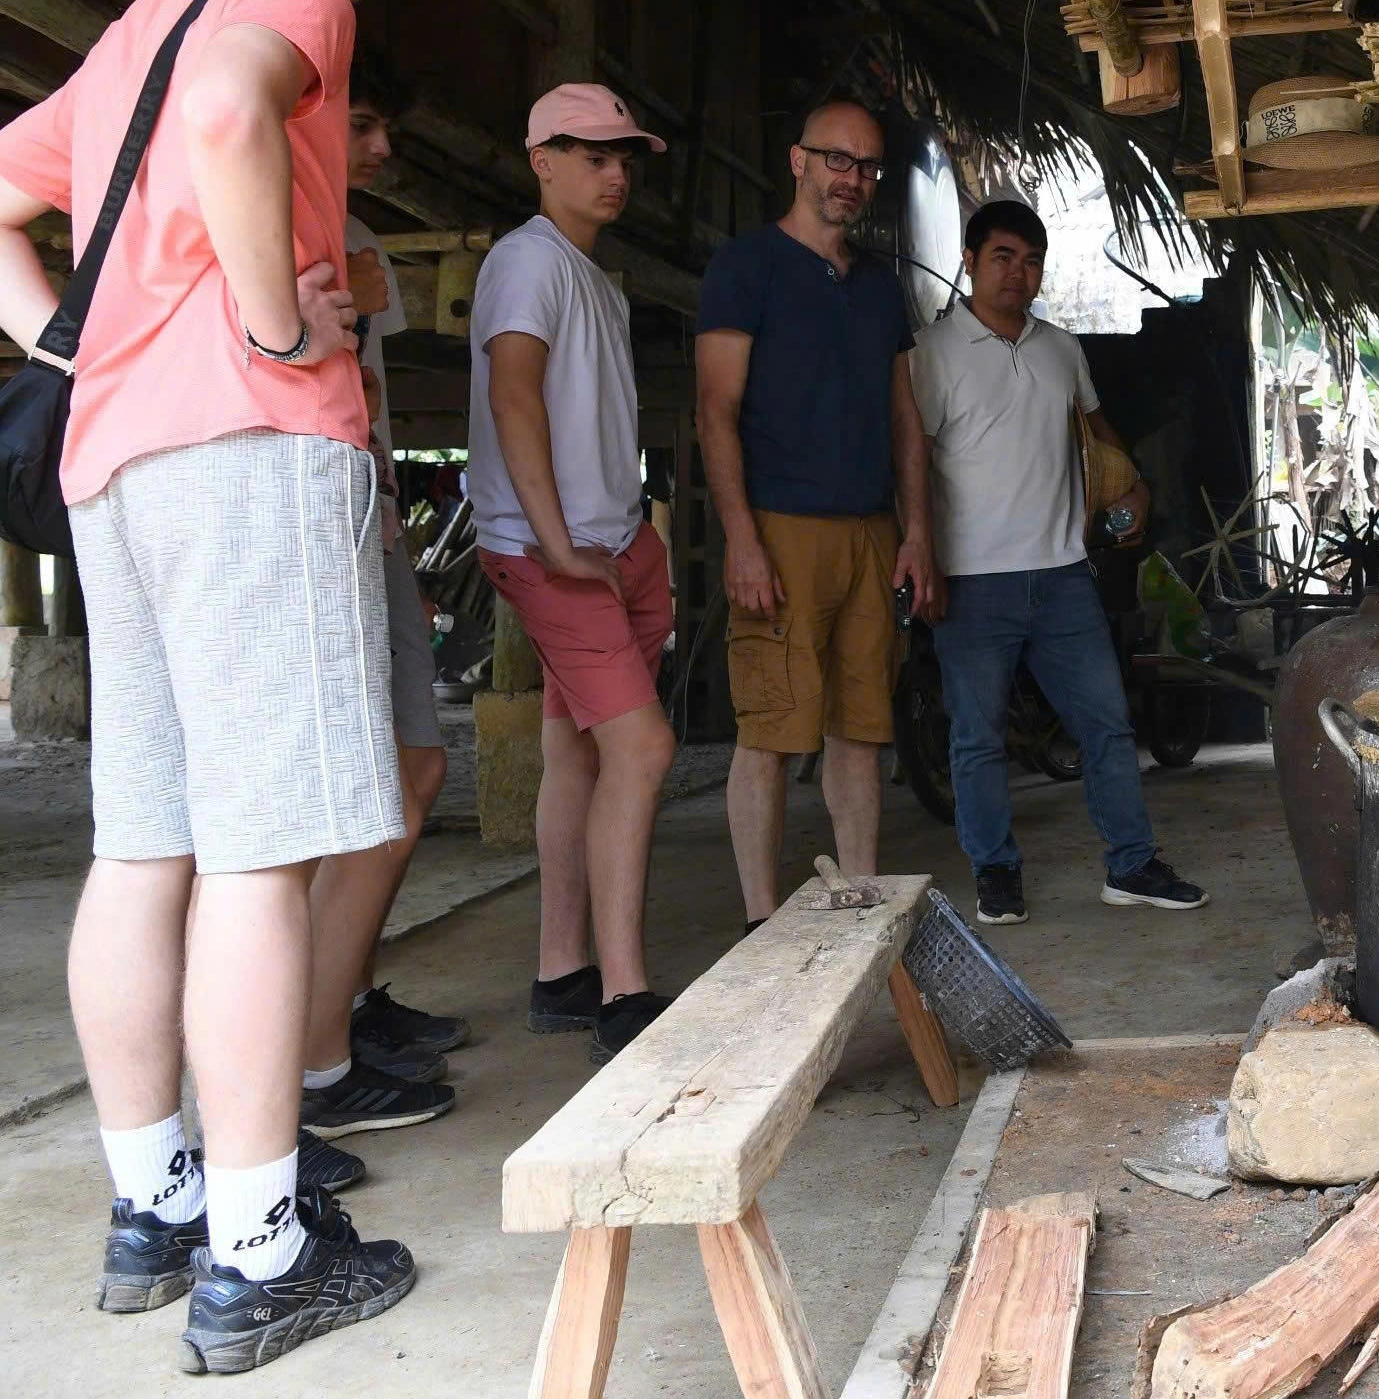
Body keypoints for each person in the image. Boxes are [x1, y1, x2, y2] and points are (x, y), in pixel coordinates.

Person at [0, 0, 421, 1373]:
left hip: (118, 461)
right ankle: (259, 1250)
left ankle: (155, 1205)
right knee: (259, 854)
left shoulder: (127, 33)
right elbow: (241, 113)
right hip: (250, 448)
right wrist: (263, 325)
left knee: (146, 842)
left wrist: (72, 339)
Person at [909, 199, 1204, 926]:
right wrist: (921, 554)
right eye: (1002, 256)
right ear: (970, 261)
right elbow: (909, 460)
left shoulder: (1061, 348)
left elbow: (1098, 432)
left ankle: (1131, 863)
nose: (1018, 271)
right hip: (972, 579)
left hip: (1065, 572)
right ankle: (996, 873)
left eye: (1031, 259)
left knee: (1106, 722)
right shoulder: (929, 353)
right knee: (975, 738)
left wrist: (1131, 483)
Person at [468, 83, 676, 1066]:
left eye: (623, 154)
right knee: (641, 750)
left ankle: (563, 970)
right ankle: (624, 995)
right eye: (589, 152)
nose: (614, 171)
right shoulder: (525, 261)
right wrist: (554, 543)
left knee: (578, 750)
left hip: (607, 541)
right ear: (538, 158)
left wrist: (630, 533)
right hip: (557, 552)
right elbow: (514, 398)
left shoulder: (596, 277)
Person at [696, 101, 938, 924]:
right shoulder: (747, 266)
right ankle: (761, 918)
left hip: (872, 531)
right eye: (839, 160)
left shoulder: (878, 285)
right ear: (798, 160)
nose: (854, 179)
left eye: (867, 167)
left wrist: (916, 534)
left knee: (862, 726)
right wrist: (742, 543)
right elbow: (715, 413)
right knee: (770, 725)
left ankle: (862, 898)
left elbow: (905, 417)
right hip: (781, 529)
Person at [294, 48, 464, 1143]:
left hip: (366, 505)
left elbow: (369, 400)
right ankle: (311, 1066)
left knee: (408, 770)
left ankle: (342, 1006)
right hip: (307, 515)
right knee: (356, 793)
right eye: (362, 124)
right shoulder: (275, 232)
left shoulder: (355, 245)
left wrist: (393, 533)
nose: (383, 147)